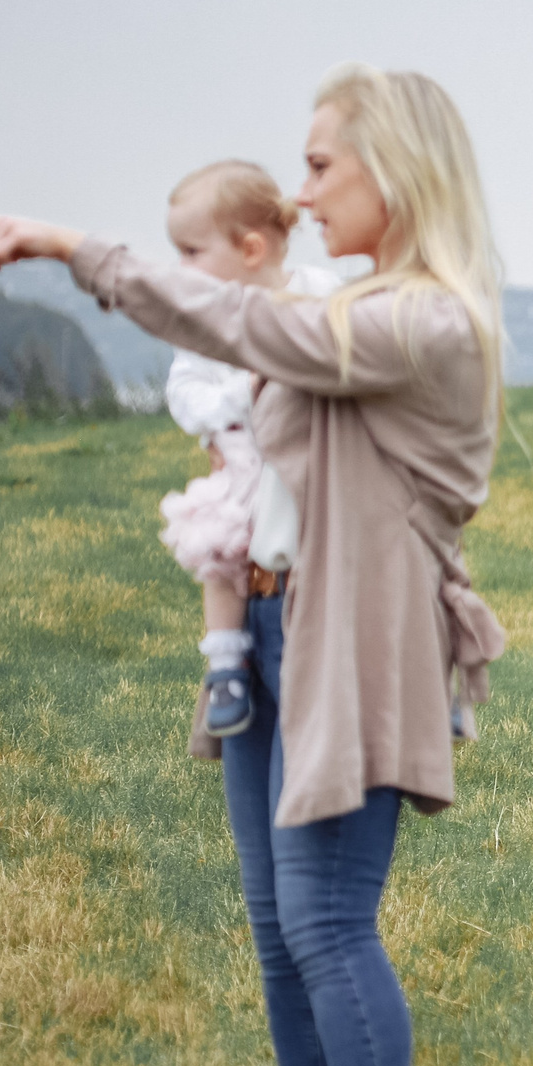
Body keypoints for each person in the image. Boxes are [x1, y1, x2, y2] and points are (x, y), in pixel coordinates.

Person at [0, 63, 510, 1066]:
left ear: (395, 171)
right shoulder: (364, 307)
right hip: (269, 622)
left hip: (351, 643)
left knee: (328, 918)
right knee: (275, 920)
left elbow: (239, 318)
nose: (303, 195)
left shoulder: (419, 321)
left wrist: (71, 246)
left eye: (320, 166)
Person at [154, 161, 340, 739]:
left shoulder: (319, 295)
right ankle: (226, 666)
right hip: (241, 465)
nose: (180, 268)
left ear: (252, 248)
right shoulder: (205, 325)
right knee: (221, 552)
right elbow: (184, 393)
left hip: (307, 482)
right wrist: (239, 398)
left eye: (191, 251)